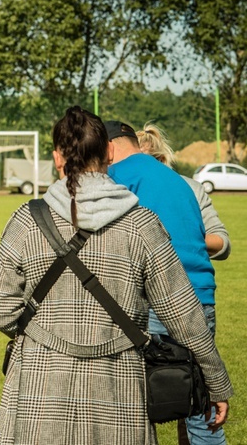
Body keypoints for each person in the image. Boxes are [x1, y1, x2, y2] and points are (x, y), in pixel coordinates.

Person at [0, 106, 231, 444]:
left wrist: (44, 335)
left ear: (58, 157)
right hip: (120, 383)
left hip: (40, 384)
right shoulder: (142, 224)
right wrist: (215, 380)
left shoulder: (26, 221)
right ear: (108, 153)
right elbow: (184, 315)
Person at [107, 120, 228, 445]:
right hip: (200, 298)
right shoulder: (184, 183)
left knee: (127, 406)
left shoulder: (117, 177)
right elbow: (216, 239)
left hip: (156, 299)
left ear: (108, 149)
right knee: (198, 409)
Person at [137, 122, 230, 260]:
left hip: (190, 276)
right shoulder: (123, 189)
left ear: (161, 160)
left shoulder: (191, 187)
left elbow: (222, 243)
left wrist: (182, 238)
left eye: (145, 162)